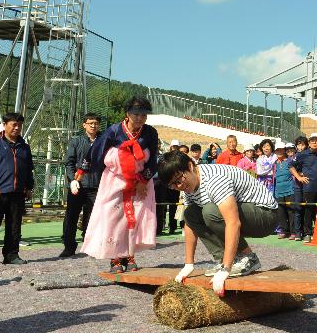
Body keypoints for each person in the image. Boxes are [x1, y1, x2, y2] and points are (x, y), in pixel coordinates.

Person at [159, 151, 278, 295]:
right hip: (243, 213)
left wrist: (225, 270)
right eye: (173, 185)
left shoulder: (215, 180)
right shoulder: (187, 184)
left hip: (266, 215)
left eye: (178, 180)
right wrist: (188, 264)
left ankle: (248, 258)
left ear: (190, 166)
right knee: (190, 213)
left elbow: (233, 223)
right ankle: (225, 258)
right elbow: (190, 222)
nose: (178, 186)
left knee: (210, 211)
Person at [80, 97, 158, 273]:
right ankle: (115, 258)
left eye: (144, 115)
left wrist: (144, 180)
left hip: (140, 182)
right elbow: (97, 151)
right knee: (113, 217)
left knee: (135, 217)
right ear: (127, 114)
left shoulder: (150, 133)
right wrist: (83, 171)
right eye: (136, 114)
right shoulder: (114, 131)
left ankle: (130, 255)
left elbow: (153, 159)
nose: (140, 118)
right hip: (115, 180)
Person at [0, 113, 34, 267]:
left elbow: (29, 169)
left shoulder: (24, 147)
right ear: (5, 125)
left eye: (19, 125)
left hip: (17, 193)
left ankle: (11, 255)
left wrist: (29, 187)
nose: (17, 128)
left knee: (14, 225)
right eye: (13, 124)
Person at [61, 113, 102, 257]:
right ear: (84, 125)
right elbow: (69, 162)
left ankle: (89, 244)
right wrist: (72, 179)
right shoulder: (76, 141)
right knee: (71, 216)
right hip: (78, 185)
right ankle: (68, 246)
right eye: (90, 122)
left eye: (96, 122)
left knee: (93, 217)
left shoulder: (104, 141)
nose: (93, 125)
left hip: (97, 185)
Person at [290, 133, 317, 242]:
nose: (315, 142)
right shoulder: (303, 154)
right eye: (312, 141)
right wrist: (299, 177)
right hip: (308, 187)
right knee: (308, 211)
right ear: (309, 143)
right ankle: (307, 233)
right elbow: (291, 166)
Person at [273, 142, 296, 239]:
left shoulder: (290, 161)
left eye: (281, 150)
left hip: (289, 189)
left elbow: (294, 173)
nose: (279, 152)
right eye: (277, 150)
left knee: (291, 210)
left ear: (284, 151)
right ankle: (284, 230)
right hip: (278, 190)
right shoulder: (274, 163)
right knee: (281, 211)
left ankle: (293, 232)